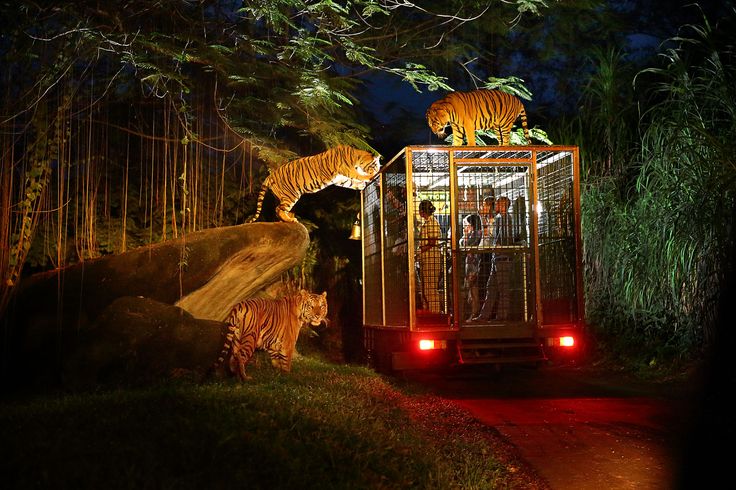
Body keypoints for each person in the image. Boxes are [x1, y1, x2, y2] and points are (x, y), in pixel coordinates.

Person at [473, 196, 513, 321]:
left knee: (501, 289)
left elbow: (505, 236)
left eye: (497, 204)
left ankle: (500, 316)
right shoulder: (500, 218)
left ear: (503, 205)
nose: (495, 206)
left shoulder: (505, 218)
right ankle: (485, 316)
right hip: (497, 257)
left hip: (501, 257)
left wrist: (498, 245)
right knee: (492, 288)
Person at [417, 199, 442, 312]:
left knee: (430, 288)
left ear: (423, 211)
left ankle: (435, 312)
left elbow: (432, 242)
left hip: (431, 258)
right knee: (426, 287)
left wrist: (420, 250)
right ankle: (429, 311)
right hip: (425, 258)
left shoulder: (432, 222)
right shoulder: (427, 223)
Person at [460, 213, 483, 320]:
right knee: (470, 290)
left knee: (473, 290)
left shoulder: (477, 233)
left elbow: (470, 247)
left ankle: (474, 312)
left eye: (467, 223)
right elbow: (463, 244)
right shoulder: (471, 233)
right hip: (469, 263)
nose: (466, 226)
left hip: (473, 264)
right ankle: (472, 313)